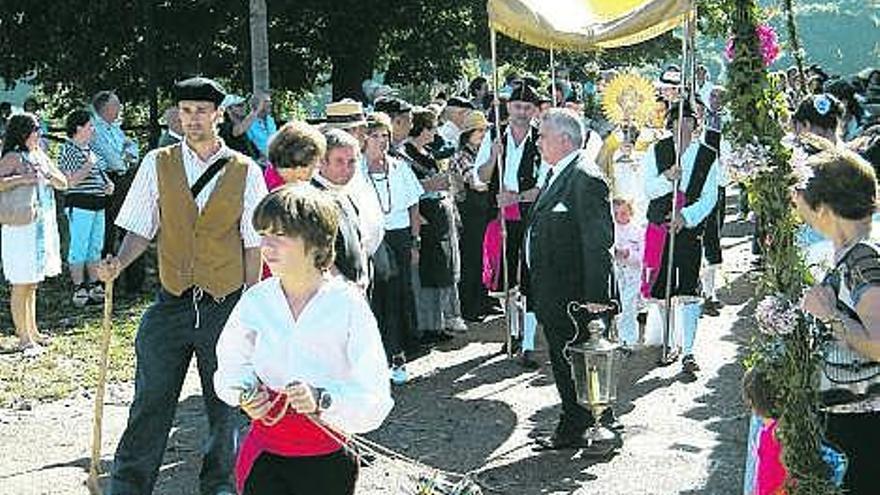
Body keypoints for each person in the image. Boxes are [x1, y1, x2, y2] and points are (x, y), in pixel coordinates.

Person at [96, 77, 268, 495]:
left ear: (219, 115)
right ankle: (129, 486)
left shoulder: (245, 171)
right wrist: (118, 261)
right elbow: (141, 228)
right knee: (150, 402)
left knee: (225, 405)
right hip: (171, 301)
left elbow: (253, 244)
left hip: (225, 304)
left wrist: (251, 305)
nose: (192, 118)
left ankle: (221, 486)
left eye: (201, 111)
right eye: (186, 110)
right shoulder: (159, 162)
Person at [214, 185, 392, 495]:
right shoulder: (256, 301)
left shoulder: (347, 304)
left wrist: (323, 398)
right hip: (264, 457)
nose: (266, 246)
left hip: (328, 459)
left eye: (280, 235)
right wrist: (245, 394)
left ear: (315, 241)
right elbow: (230, 363)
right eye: (263, 234)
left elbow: (374, 392)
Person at [526, 108, 615, 449]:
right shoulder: (556, 173)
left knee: (576, 362)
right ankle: (578, 423)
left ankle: (584, 425)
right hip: (554, 290)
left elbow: (598, 241)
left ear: (564, 139)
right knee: (566, 363)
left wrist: (596, 296)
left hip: (575, 294)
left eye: (543, 136)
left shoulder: (584, 176)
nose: (538, 142)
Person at [795, 147, 879, 494]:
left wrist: (827, 315)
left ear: (825, 208)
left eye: (802, 204)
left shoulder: (863, 259)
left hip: (864, 428)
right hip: (852, 422)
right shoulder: (852, 254)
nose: (799, 212)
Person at [642, 100, 719, 374]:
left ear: (695, 124)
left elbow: (711, 196)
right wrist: (666, 178)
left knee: (687, 289)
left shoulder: (708, 155)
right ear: (670, 124)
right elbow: (648, 189)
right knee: (662, 291)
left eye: (689, 121)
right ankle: (670, 341)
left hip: (689, 230)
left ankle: (689, 351)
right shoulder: (657, 150)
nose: (683, 127)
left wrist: (686, 216)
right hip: (660, 228)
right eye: (677, 121)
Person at [474, 83, 543, 365]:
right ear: (509, 108)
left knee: (529, 276)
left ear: (534, 110)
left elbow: (545, 183)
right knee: (504, 278)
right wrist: (494, 156)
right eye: (517, 107)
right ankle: (512, 332)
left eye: (527, 108)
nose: (522, 112)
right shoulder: (493, 136)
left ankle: (528, 342)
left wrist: (516, 197)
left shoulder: (541, 139)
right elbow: (480, 176)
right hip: (500, 215)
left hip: (528, 214)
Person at [363, 112, 424, 385]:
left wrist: (414, 241)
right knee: (375, 298)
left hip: (399, 237)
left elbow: (414, 206)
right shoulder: (356, 172)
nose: (381, 141)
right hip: (370, 239)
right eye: (375, 136)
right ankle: (374, 358)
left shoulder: (399, 168)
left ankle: (398, 354)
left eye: (385, 135)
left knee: (399, 296)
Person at [0, 114, 67, 357]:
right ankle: (23, 338)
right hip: (20, 228)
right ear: (22, 133)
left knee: (33, 282)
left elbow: (63, 183)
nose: (39, 134)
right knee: (21, 282)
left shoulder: (39, 155)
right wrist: (23, 178)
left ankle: (34, 331)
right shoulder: (12, 157)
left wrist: (47, 174)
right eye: (35, 130)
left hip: (41, 226)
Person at [402, 107, 467, 340]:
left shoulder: (426, 152)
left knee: (440, 270)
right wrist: (432, 185)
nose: (435, 132)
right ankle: (426, 326)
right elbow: (410, 189)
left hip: (437, 214)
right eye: (432, 127)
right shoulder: (405, 154)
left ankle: (438, 323)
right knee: (426, 274)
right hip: (424, 215)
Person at [58, 109, 114, 306]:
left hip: (99, 204)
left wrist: (108, 185)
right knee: (79, 246)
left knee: (95, 247)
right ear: (79, 127)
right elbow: (70, 181)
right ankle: (79, 287)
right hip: (80, 204)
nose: (93, 130)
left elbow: (101, 175)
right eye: (90, 126)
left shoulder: (92, 151)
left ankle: (94, 284)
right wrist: (88, 166)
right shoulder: (68, 149)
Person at [90, 90, 142, 290]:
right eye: (116, 104)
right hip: (106, 182)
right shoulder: (95, 129)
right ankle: (106, 282)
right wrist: (124, 158)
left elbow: (132, 147)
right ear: (106, 108)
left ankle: (132, 283)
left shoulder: (115, 128)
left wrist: (127, 155)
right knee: (107, 232)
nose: (119, 108)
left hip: (122, 180)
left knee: (129, 227)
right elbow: (114, 160)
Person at [451, 111, 494, 322]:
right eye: (480, 130)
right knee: (471, 260)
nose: (484, 134)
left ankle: (483, 300)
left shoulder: (481, 154)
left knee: (485, 258)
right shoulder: (461, 156)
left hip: (484, 213)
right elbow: (475, 183)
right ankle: (469, 306)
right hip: (470, 215)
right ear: (469, 133)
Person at [313, 128, 368, 287]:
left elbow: (359, 241)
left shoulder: (346, 194)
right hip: (333, 293)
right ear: (322, 161)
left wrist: (363, 276)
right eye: (339, 161)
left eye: (351, 162)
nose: (347, 169)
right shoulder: (313, 199)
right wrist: (347, 287)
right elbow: (318, 254)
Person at [613, 197, 643, 347]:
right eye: (616, 214)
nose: (619, 217)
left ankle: (629, 340)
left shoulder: (638, 231)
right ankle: (617, 337)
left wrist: (628, 254)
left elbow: (643, 257)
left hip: (633, 274)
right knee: (618, 306)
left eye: (623, 213)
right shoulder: (610, 230)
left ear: (630, 212)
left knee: (628, 306)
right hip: (616, 274)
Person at [246, 92, 277, 163]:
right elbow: (249, 145)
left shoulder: (270, 120)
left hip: (275, 158)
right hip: (259, 161)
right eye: (266, 101)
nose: (270, 104)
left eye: (270, 101)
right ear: (256, 105)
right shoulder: (248, 122)